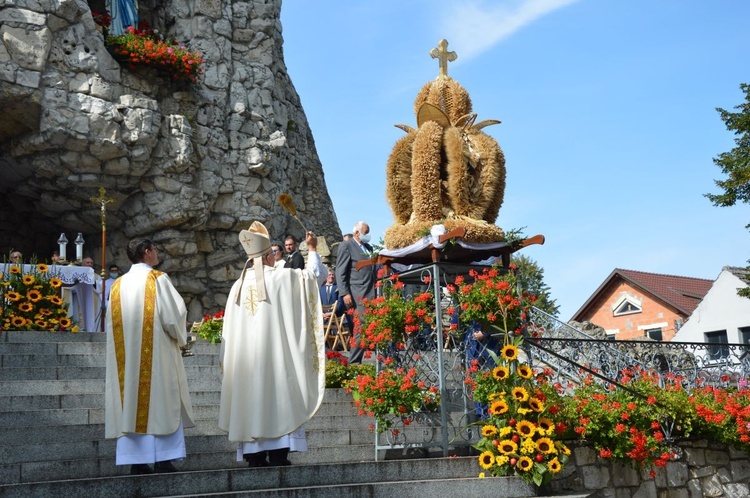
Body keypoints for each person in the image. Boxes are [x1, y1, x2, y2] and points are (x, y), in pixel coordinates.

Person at [219, 222, 326, 468]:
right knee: (277, 394)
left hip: (245, 361)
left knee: (250, 395)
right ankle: (278, 453)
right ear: (268, 257)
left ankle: (254, 454)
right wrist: (312, 248)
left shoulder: (237, 287)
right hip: (275, 358)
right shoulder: (281, 278)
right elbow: (313, 278)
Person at [104, 238, 195, 475]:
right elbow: (172, 318)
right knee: (161, 402)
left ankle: (137, 461)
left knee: (132, 404)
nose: (157, 254)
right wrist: (182, 336)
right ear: (148, 252)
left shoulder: (117, 285)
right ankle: (164, 459)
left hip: (126, 361)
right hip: (157, 358)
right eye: (155, 250)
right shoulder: (157, 279)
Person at [335, 221, 377, 364]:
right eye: (366, 232)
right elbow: (340, 271)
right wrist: (344, 293)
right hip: (356, 293)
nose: (368, 235)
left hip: (371, 293)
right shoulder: (346, 246)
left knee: (368, 328)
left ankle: (375, 361)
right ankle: (354, 362)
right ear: (357, 232)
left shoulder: (369, 248)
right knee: (361, 327)